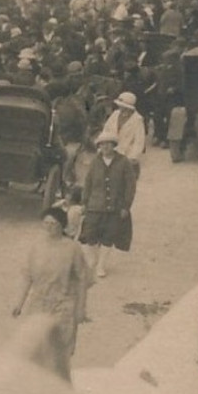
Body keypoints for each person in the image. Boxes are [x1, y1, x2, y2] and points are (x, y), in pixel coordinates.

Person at [12, 206, 93, 358]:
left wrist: (81, 308)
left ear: (62, 225)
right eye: (46, 223)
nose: (49, 228)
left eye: (53, 224)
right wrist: (19, 304)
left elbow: (82, 279)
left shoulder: (72, 248)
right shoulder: (36, 247)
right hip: (39, 303)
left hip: (64, 305)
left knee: (59, 349)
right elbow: (27, 276)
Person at [79, 129, 137, 279]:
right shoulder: (95, 162)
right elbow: (88, 183)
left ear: (114, 146)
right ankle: (92, 260)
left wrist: (126, 206)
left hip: (114, 208)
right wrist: (84, 202)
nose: (105, 148)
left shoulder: (123, 162)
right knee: (88, 235)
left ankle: (101, 265)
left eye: (108, 145)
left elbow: (130, 186)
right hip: (94, 206)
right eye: (102, 145)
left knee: (108, 237)